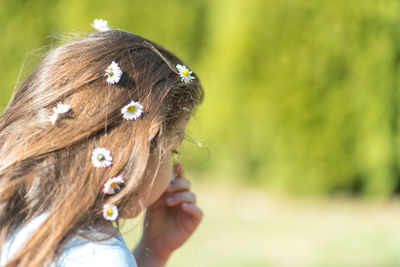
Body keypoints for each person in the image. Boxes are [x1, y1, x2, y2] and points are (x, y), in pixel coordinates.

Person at [0, 25, 204, 267]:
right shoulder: (98, 255)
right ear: (136, 147)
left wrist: (154, 252)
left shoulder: (19, 221)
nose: (172, 173)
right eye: (172, 150)